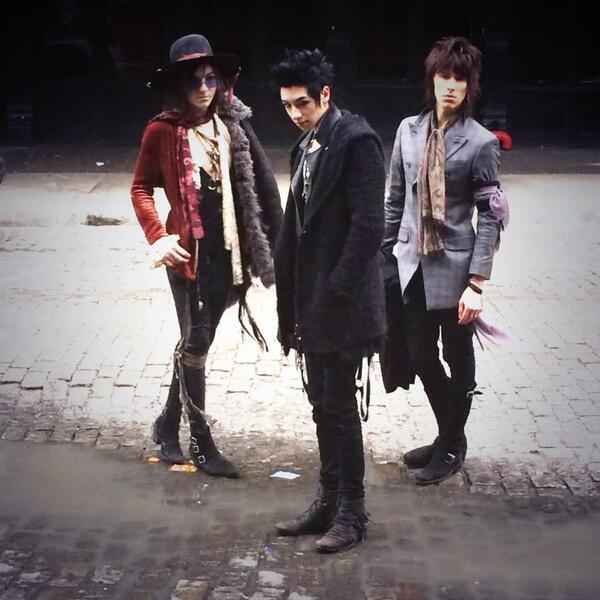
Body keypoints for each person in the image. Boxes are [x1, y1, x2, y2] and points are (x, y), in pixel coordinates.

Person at [131, 34, 282, 478]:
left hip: (228, 254)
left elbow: (262, 186)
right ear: (178, 84)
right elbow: (140, 188)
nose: (203, 88)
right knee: (196, 343)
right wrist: (158, 237)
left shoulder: (232, 126)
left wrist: (275, 243)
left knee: (197, 341)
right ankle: (201, 442)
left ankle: (165, 425)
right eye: (194, 80)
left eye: (210, 79)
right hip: (187, 256)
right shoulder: (162, 130)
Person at [270, 49, 386, 552]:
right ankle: (328, 500)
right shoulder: (306, 145)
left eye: (303, 103)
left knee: (338, 406)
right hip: (312, 300)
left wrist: (336, 290)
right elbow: (296, 224)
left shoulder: (357, 141)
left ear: (325, 94)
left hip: (342, 304)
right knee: (320, 404)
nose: (296, 113)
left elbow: (369, 227)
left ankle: (352, 512)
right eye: (287, 105)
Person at [382, 36, 504, 485]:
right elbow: (395, 198)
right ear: (432, 80)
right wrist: (384, 256)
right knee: (419, 353)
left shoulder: (481, 142)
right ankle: (450, 436)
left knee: (457, 355)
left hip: (454, 268)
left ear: (470, 85)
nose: (451, 86)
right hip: (411, 263)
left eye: (460, 79)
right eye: (444, 76)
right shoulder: (408, 130)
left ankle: (449, 445)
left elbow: (490, 214)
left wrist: (477, 282)